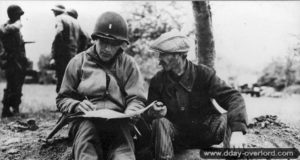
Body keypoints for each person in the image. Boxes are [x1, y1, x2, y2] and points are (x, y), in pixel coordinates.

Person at [56, 11, 146, 160]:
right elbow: (62, 98)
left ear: (121, 45)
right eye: (103, 42)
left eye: (114, 44)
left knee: (123, 151)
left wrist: (129, 114)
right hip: (85, 120)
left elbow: (137, 98)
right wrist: (76, 105)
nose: (107, 49)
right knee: (86, 146)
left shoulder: (128, 65)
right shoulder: (78, 62)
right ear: (95, 39)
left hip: (119, 121)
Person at [145, 31, 248, 159]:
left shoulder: (203, 74)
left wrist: (238, 130)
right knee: (159, 122)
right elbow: (147, 115)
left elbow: (234, 97)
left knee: (229, 118)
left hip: (207, 132)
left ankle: (233, 156)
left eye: (163, 55)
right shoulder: (158, 80)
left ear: (178, 55)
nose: (159, 60)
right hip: (177, 137)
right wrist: (152, 112)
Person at [50, 4, 89, 93]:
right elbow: (85, 37)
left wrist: (53, 56)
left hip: (62, 55)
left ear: (56, 12)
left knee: (61, 79)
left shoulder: (59, 18)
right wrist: (80, 51)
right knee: (72, 80)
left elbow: (58, 34)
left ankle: (62, 104)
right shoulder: (76, 21)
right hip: (74, 55)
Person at [0, 5, 28, 117]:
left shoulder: (12, 27)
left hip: (19, 59)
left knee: (17, 84)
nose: (20, 17)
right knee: (12, 84)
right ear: (13, 15)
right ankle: (8, 109)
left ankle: (13, 108)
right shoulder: (7, 27)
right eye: (18, 15)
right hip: (12, 60)